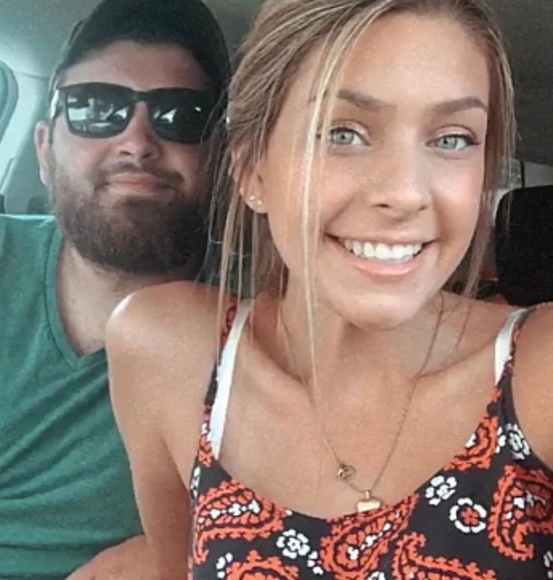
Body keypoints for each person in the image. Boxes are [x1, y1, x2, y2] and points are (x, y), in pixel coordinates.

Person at [107, 0, 553, 577]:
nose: (406, 193)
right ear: (253, 168)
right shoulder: (166, 352)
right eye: (344, 133)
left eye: (452, 139)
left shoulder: (536, 370)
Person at [0, 0, 229, 576]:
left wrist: (181, 550)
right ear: (44, 149)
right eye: (95, 108)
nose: (137, 141)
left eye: (181, 115)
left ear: (222, 161)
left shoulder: (262, 330)